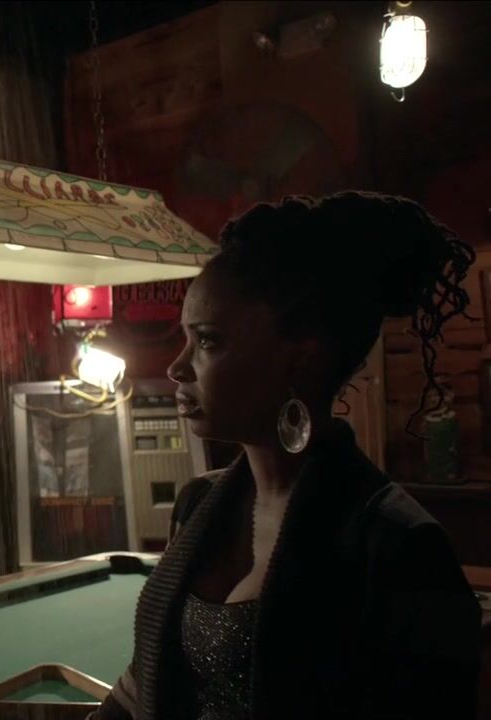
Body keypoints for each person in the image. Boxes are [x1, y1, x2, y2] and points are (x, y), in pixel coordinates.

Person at [91, 193, 482, 719]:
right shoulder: (199, 502)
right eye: (187, 339)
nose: (177, 368)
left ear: (300, 360)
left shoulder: (398, 545)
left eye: (207, 341)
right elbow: (147, 680)